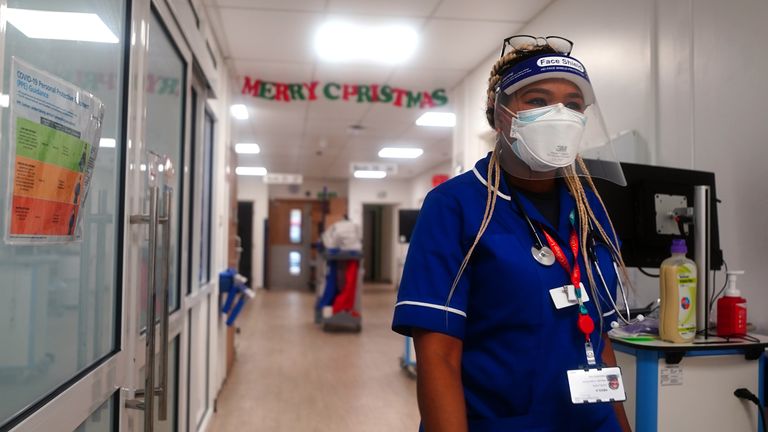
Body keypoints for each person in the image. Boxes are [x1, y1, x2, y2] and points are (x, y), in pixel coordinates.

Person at [392, 35, 632, 431]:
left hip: (592, 421)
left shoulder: (592, 210)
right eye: (537, 101)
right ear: (499, 114)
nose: (559, 114)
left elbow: (599, 339)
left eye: (572, 105)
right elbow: (438, 356)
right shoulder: (456, 206)